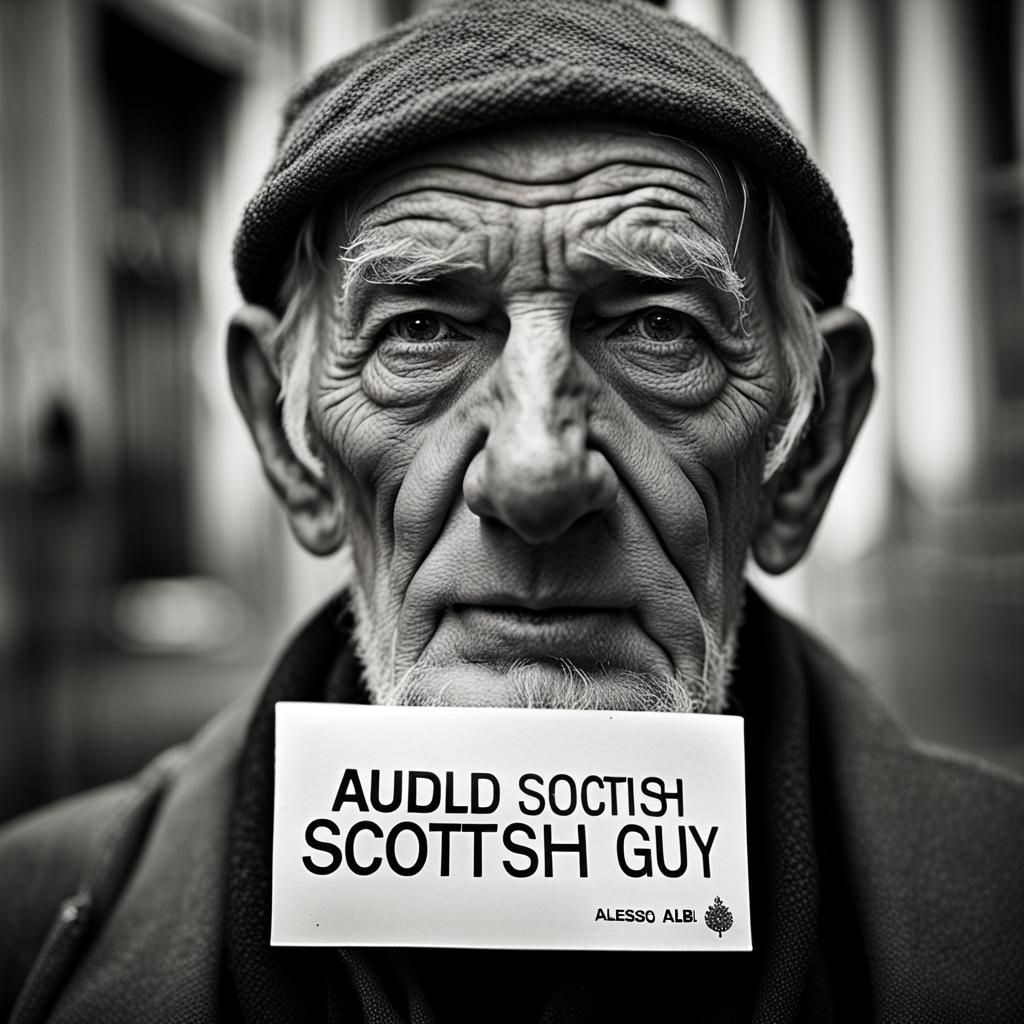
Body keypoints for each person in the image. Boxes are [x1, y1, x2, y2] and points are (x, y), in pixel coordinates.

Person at [2, 1, 1022, 1020]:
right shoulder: (20, 927)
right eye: (422, 330)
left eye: (659, 328)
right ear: (291, 446)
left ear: (803, 455)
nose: (534, 477)